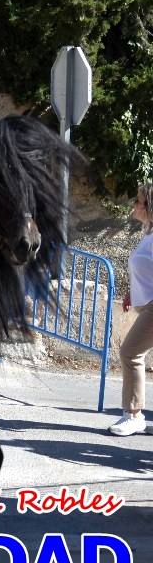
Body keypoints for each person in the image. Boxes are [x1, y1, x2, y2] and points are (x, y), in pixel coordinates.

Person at [109, 184, 153, 436]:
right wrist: (131, 293)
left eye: (138, 201)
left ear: (149, 207)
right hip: (146, 303)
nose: (133, 205)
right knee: (133, 353)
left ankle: (133, 415)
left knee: (130, 352)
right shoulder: (148, 233)